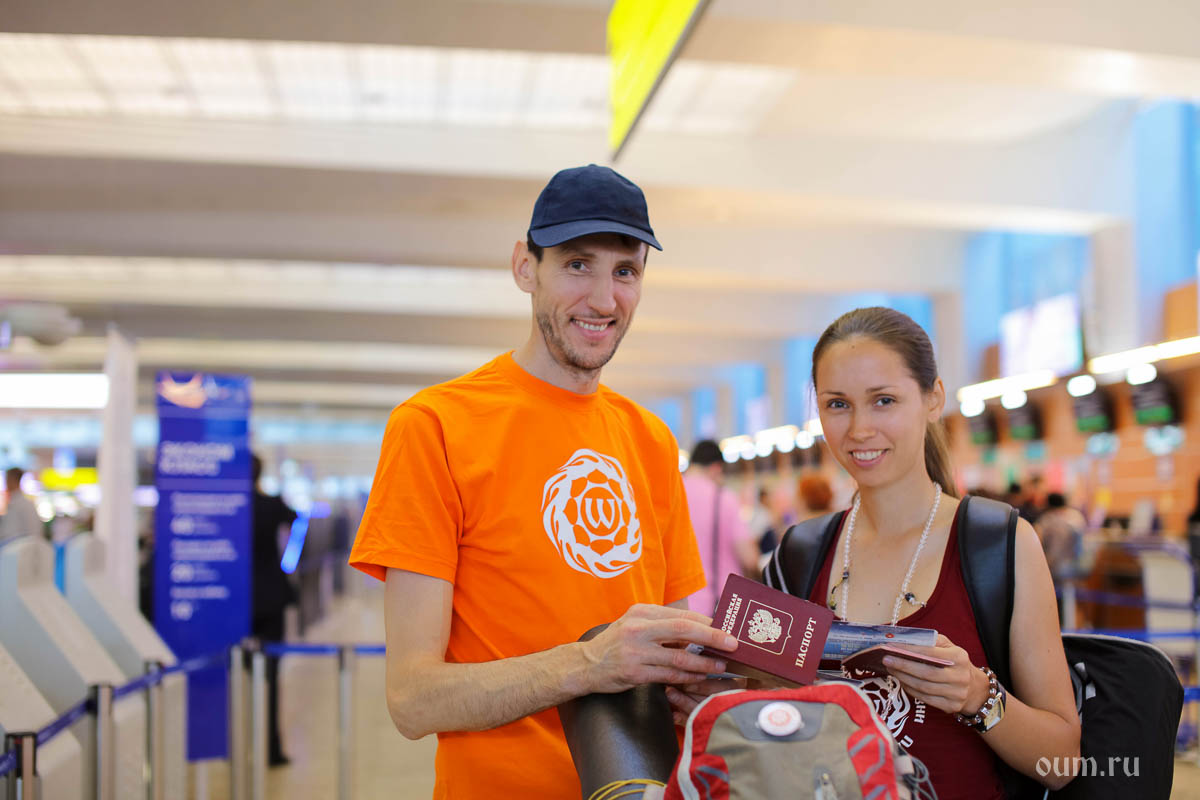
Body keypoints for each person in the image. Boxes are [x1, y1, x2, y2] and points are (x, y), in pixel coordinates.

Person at [348, 164, 737, 799]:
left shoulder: (650, 439)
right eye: (578, 265)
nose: (604, 300)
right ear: (525, 268)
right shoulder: (435, 426)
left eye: (625, 271)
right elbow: (412, 699)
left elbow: (670, 655)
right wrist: (589, 665)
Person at [749, 307, 1080, 798]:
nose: (860, 428)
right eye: (837, 404)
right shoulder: (798, 556)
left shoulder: (999, 546)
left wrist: (978, 696)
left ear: (933, 398)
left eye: (883, 400)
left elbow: (1062, 763)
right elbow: (764, 733)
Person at [250, 454, 298, 767]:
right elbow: (295, 518)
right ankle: (271, 748)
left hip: (236, 601)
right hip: (270, 597)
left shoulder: (229, 507)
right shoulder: (270, 505)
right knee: (271, 676)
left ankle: (235, 744)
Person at [681, 439, 758, 613]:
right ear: (716, 467)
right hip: (720, 604)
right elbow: (749, 557)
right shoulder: (724, 498)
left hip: (676, 604)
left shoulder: (670, 493)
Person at [1034, 493, 1085, 587]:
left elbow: (1036, 542)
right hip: (1073, 564)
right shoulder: (1076, 516)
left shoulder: (1046, 519)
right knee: (1067, 590)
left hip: (1051, 565)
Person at [0, 467, 41, 542]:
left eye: (7, 479)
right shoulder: (12, 502)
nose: (6, 483)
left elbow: (34, 533)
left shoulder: (25, 505)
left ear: (13, 480)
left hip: (21, 547)